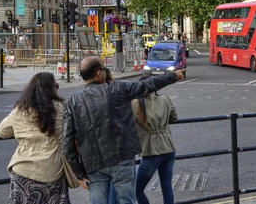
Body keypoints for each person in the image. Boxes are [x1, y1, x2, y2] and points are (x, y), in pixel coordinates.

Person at [62, 57, 184, 204]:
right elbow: (147, 85)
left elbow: (67, 142)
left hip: (93, 163)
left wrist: (78, 172)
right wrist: (173, 75)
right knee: (126, 200)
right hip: (122, 157)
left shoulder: (72, 101)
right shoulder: (117, 89)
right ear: (99, 73)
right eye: (104, 69)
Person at [0, 72, 71, 204]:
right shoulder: (60, 108)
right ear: (51, 88)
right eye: (56, 85)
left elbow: (1, 131)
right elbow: (65, 140)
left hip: (22, 170)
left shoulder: (21, 109)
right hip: (51, 171)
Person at [132, 76, 178, 204]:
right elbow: (174, 118)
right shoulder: (164, 99)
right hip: (168, 148)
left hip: (151, 151)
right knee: (166, 186)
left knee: (136, 189)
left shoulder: (135, 104)